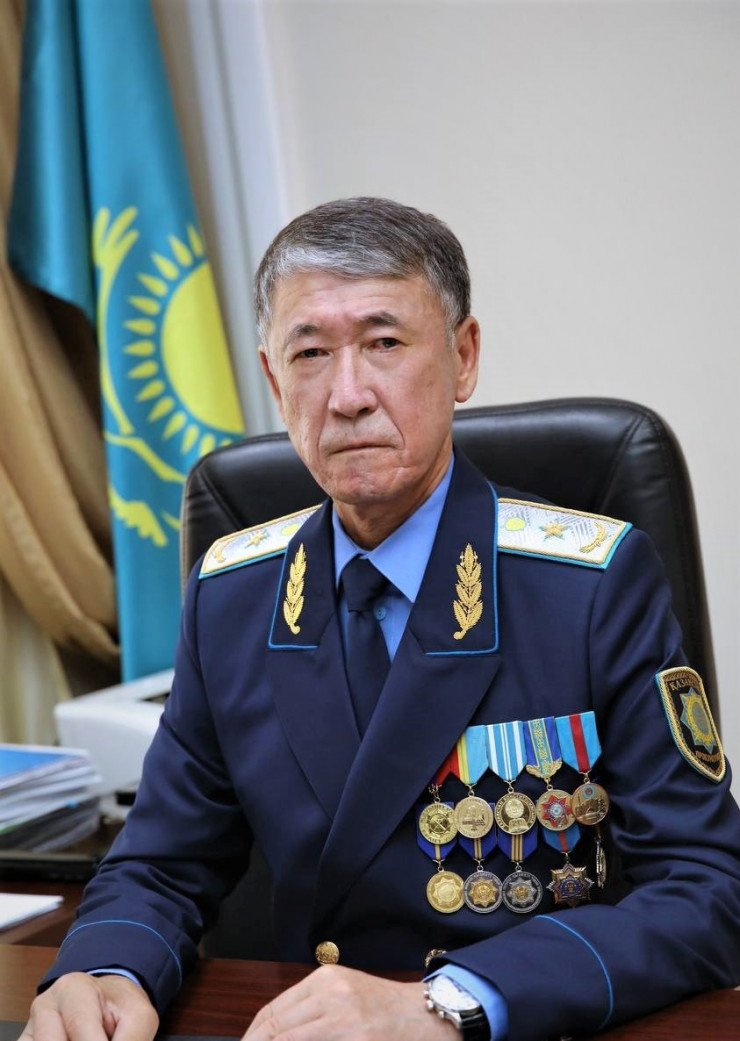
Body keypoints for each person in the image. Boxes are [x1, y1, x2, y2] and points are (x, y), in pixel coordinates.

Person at [20, 197, 740, 1041]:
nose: (348, 395)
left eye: (385, 343)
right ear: (274, 379)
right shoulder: (234, 594)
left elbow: (706, 888)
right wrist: (107, 968)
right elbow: (162, 861)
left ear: (464, 358)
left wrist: (451, 1001)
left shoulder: (590, 582)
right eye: (310, 353)